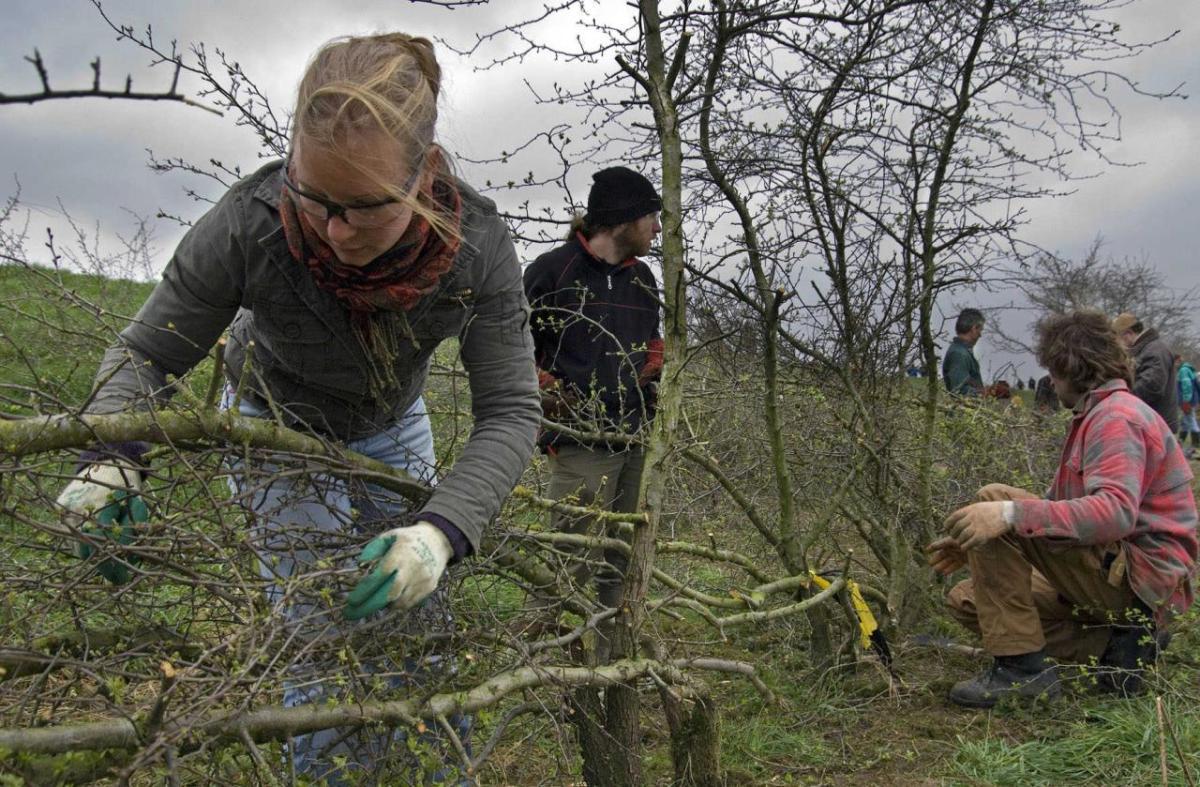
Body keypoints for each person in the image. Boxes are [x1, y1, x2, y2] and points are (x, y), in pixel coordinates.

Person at [53, 33, 539, 783]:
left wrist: (441, 533)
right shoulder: (253, 221)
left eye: (363, 208)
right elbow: (151, 350)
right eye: (313, 198)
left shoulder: (474, 245)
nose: (332, 229)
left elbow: (510, 408)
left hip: (393, 426)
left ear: (424, 175)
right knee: (323, 625)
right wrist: (111, 456)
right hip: (272, 421)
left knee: (420, 625)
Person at [928, 311, 1197, 708]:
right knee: (967, 600)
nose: (1050, 381)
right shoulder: (1096, 415)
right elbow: (1058, 510)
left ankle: (1022, 672)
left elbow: (1114, 513)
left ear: (1073, 367)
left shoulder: (1117, 418)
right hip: (1120, 576)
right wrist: (975, 540)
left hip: (1144, 582)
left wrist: (1005, 516)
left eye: (1054, 370)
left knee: (993, 499)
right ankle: (1121, 651)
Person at [522, 166, 663, 653]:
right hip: (580, 443)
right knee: (567, 560)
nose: (658, 229)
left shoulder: (644, 280)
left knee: (620, 559)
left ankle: (610, 665)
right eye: (651, 216)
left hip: (635, 440)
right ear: (623, 219)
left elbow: (654, 344)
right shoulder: (550, 272)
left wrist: (653, 371)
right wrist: (551, 393)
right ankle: (538, 663)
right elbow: (513, 348)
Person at [1112, 312, 1179, 433]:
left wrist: (1120, 398)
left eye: (1119, 339)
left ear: (1128, 334)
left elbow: (1152, 387)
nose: (1119, 344)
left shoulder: (1154, 350)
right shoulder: (1149, 349)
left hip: (1159, 424)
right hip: (1156, 421)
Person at [942, 308, 985, 396]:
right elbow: (960, 391)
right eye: (980, 330)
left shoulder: (962, 352)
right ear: (973, 329)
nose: (980, 335)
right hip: (962, 408)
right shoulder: (959, 354)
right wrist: (986, 394)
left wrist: (991, 391)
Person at [1177, 355, 1199, 458]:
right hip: (1191, 400)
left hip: (1188, 401)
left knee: (1191, 421)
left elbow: (1187, 386)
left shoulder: (1183, 371)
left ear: (1177, 360)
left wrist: (1186, 401)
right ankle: (1179, 443)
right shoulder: (1187, 369)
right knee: (1185, 422)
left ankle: (1196, 446)